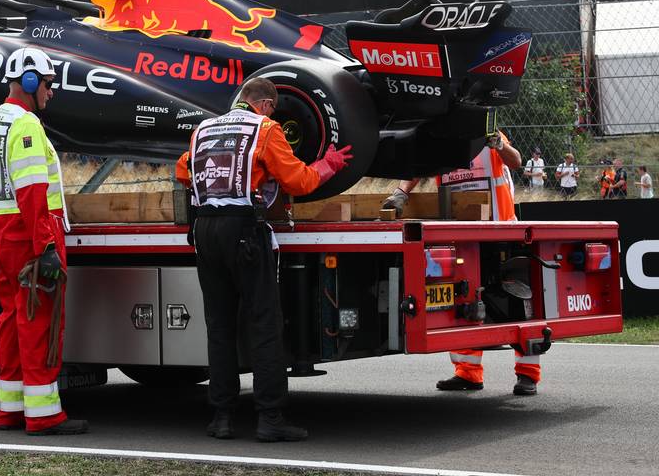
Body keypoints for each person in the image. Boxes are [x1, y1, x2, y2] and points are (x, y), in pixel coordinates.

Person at [174, 77, 352, 443]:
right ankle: (270, 417)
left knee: (219, 326)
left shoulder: (203, 130)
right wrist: (329, 164)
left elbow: (182, 172)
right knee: (263, 324)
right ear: (267, 105)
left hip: (205, 232)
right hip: (243, 231)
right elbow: (299, 182)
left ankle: (222, 417)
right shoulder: (266, 129)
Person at [0, 47, 87, 436]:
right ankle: (43, 415)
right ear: (28, 81)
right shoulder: (25, 125)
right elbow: (33, 193)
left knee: (10, 318)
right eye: (48, 83)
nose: (51, 92)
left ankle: (9, 410)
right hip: (29, 236)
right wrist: (46, 247)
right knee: (38, 320)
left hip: (0, 235)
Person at [384, 131, 539, 395]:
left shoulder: (488, 134)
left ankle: (527, 375)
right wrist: (401, 192)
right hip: (462, 237)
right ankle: (468, 373)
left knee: (518, 306)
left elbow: (515, 161)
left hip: (501, 232)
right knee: (462, 304)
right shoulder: (440, 141)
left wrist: (500, 145)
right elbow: (419, 168)